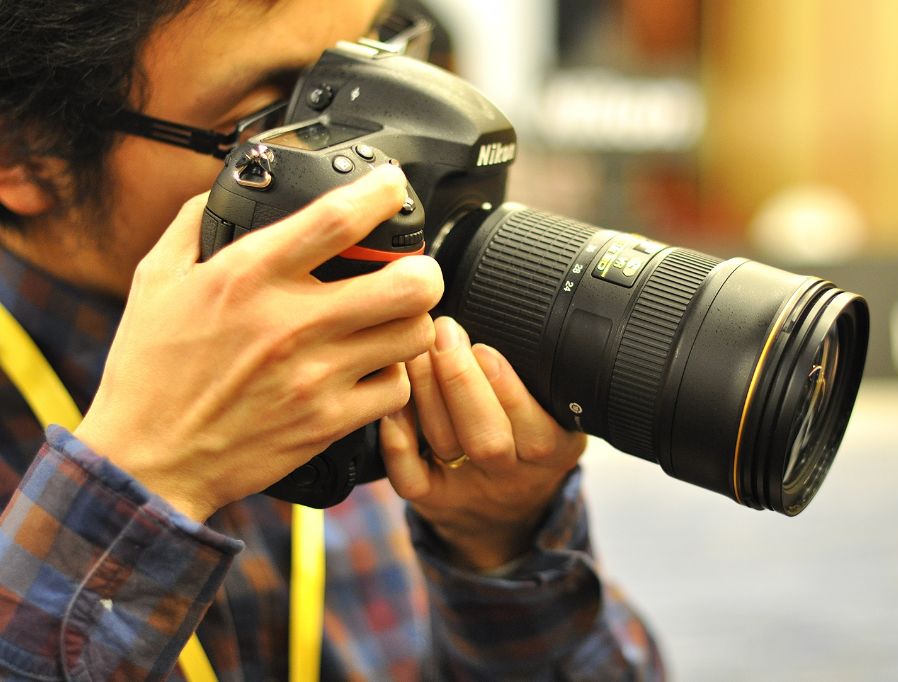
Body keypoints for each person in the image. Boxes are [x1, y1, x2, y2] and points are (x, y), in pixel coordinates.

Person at [0, 0, 664, 679]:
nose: (380, 173)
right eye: (279, 119)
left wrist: (500, 550)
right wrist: (149, 474)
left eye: (380, 60)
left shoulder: (367, 351)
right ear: (24, 152)